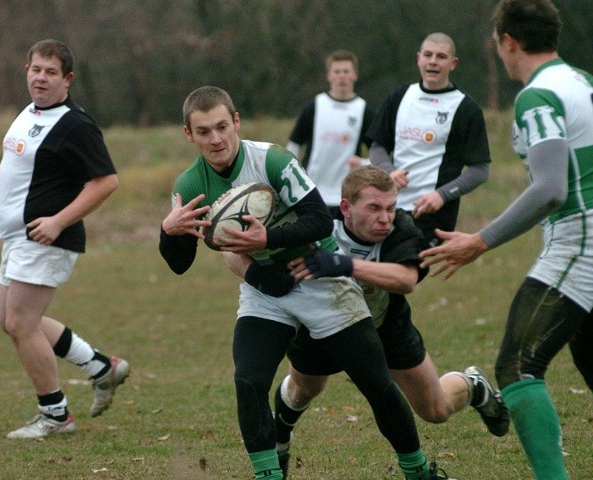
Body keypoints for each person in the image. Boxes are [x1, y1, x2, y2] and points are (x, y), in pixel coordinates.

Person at [159, 86, 451, 480]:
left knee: (376, 382)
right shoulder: (190, 185)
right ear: (189, 135)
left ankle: (418, 472)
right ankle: (268, 476)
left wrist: (268, 239)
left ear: (236, 123)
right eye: (204, 131)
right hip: (265, 289)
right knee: (249, 379)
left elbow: (317, 218)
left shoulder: (272, 160)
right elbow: (180, 264)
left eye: (222, 127)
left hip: (317, 279)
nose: (216, 139)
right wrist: (169, 231)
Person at [229, 166, 507, 479]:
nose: (385, 218)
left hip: (384, 325)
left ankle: (472, 384)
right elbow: (237, 246)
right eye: (374, 208)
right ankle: (281, 436)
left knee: (435, 410)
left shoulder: (402, 228)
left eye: (390, 207)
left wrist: (342, 264)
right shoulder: (317, 222)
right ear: (346, 208)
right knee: (305, 389)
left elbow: (406, 279)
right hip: (318, 324)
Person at [420, 1, 593, 478]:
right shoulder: (580, 80)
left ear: (507, 41)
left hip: (581, 242)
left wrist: (479, 240)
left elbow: (551, 189)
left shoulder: (538, 97)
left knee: (517, 366)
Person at [0, 39, 130, 439]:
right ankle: (99, 367)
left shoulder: (76, 124)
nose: (41, 77)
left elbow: (106, 181)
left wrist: (58, 221)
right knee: (13, 321)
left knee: (21, 322)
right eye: (36, 69)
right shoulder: (30, 112)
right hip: (18, 237)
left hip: (45, 237)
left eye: (51, 72)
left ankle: (55, 416)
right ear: (27, 71)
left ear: (67, 79)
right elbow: (26, 162)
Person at [367, 32, 490, 246]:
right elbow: (378, 147)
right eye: (428, 55)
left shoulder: (466, 109)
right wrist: (389, 173)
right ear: (418, 59)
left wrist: (442, 195)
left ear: (453, 63)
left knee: (402, 275)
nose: (433, 61)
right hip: (389, 207)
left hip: (431, 215)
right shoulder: (400, 96)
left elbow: (480, 170)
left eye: (441, 57)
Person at [286, 49, 376, 217]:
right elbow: (294, 147)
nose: (341, 76)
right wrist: (290, 181)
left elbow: (380, 154)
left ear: (354, 75)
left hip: (346, 197)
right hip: (310, 192)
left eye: (346, 71)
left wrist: (363, 164)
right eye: (337, 71)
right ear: (329, 75)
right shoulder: (314, 106)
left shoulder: (364, 110)